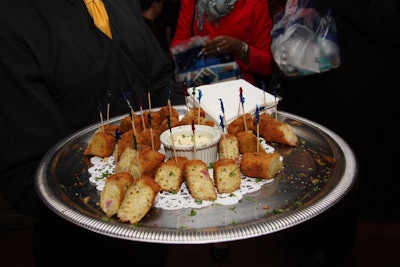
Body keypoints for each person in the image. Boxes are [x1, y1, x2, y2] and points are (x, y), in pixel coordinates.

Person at [0, 0, 184, 266]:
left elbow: (161, 77)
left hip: (151, 234)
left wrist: (180, 134)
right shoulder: (11, 22)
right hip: (78, 246)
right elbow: (26, 176)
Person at [270, 0, 400, 266]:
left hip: (362, 89)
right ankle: (306, 229)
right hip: (311, 80)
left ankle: (334, 248)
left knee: (348, 171)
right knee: (308, 163)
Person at [170, 0, 275, 88]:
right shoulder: (191, 2)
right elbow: (176, 47)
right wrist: (198, 47)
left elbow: (267, 64)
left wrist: (239, 48)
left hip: (240, 96)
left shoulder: (255, 3)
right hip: (199, 92)